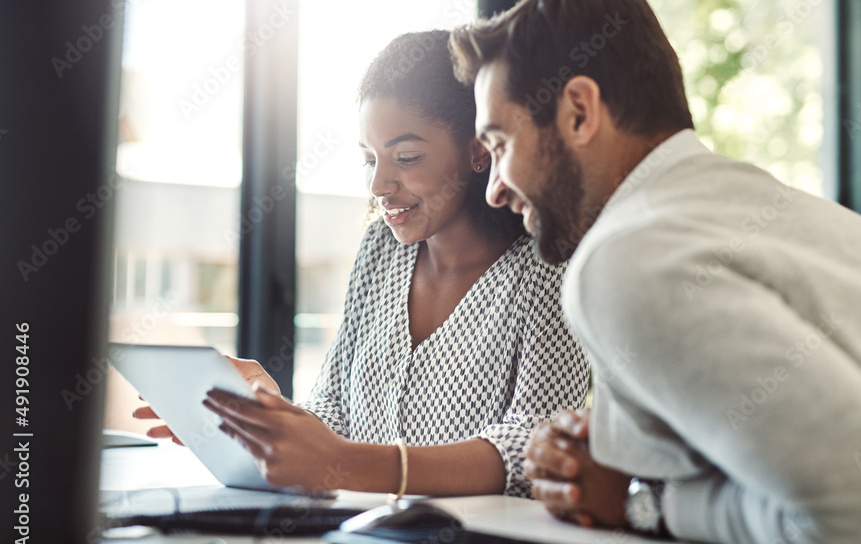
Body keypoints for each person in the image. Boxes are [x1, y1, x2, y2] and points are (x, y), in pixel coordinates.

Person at [449, 0, 861, 544]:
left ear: (580, 112)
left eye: (500, 144)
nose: (495, 191)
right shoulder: (780, 218)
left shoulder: (628, 258)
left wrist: (646, 505)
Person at [135, 30, 589, 498]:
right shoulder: (380, 248)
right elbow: (337, 413)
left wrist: (348, 464)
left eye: (406, 157)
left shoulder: (547, 263)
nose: (379, 184)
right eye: (369, 160)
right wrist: (267, 421)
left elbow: (537, 448)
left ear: (478, 149)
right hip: (363, 535)